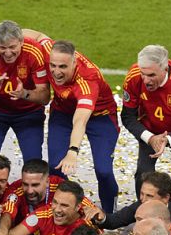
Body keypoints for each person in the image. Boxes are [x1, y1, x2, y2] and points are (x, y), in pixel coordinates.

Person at [37, 38, 119, 212]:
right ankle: (61, 212)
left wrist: (73, 151)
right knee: (55, 166)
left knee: (103, 170)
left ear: (74, 63)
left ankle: (110, 216)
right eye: (53, 66)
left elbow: (80, 120)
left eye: (63, 67)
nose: (56, 72)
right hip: (62, 111)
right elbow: (34, 35)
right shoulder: (49, 51)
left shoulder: (87, 80)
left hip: (99, 116)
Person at [121, 44, 171, 214]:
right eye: (143, 74)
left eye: (151, 75)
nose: (146, 80)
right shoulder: (134, 77)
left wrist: (168, 139)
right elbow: (127, 116)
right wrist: (150, 138)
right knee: (143, 173)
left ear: (165, 68)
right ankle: (143, 214)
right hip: (150, 129)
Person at [0, 20, 49, 161]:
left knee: (33, 162)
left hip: (29, 113)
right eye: (3, 47)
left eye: (12, 47)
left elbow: (45, 97)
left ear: (21, 42)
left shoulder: (34, 52)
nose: (8, 53)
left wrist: (24, 93)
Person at [86, 170, 171, 229]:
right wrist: (102, 217)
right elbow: (114, 221)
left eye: (149, 196)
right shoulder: (141, 205)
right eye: (141, 194)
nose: (143, 199)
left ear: (165, 198)